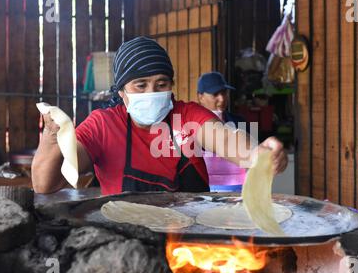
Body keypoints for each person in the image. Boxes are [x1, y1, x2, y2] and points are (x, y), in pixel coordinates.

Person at [32, 37, 288, 196]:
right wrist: (52, 135)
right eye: (140, 85)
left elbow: (224, 138)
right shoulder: (104, 126)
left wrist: (257, 155)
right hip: (126, 245)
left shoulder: (186, 116)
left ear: (171, 85)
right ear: (121, 91)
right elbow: (45, 185)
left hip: (190, 244)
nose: (152, 92)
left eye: (161, 83)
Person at [197, 72, 248, 192]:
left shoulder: (239, 122)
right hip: (205, 191)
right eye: (215, 94)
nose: (222, 98)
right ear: (200, 96)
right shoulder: (191, 125)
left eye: (224, 93)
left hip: (238, 190)